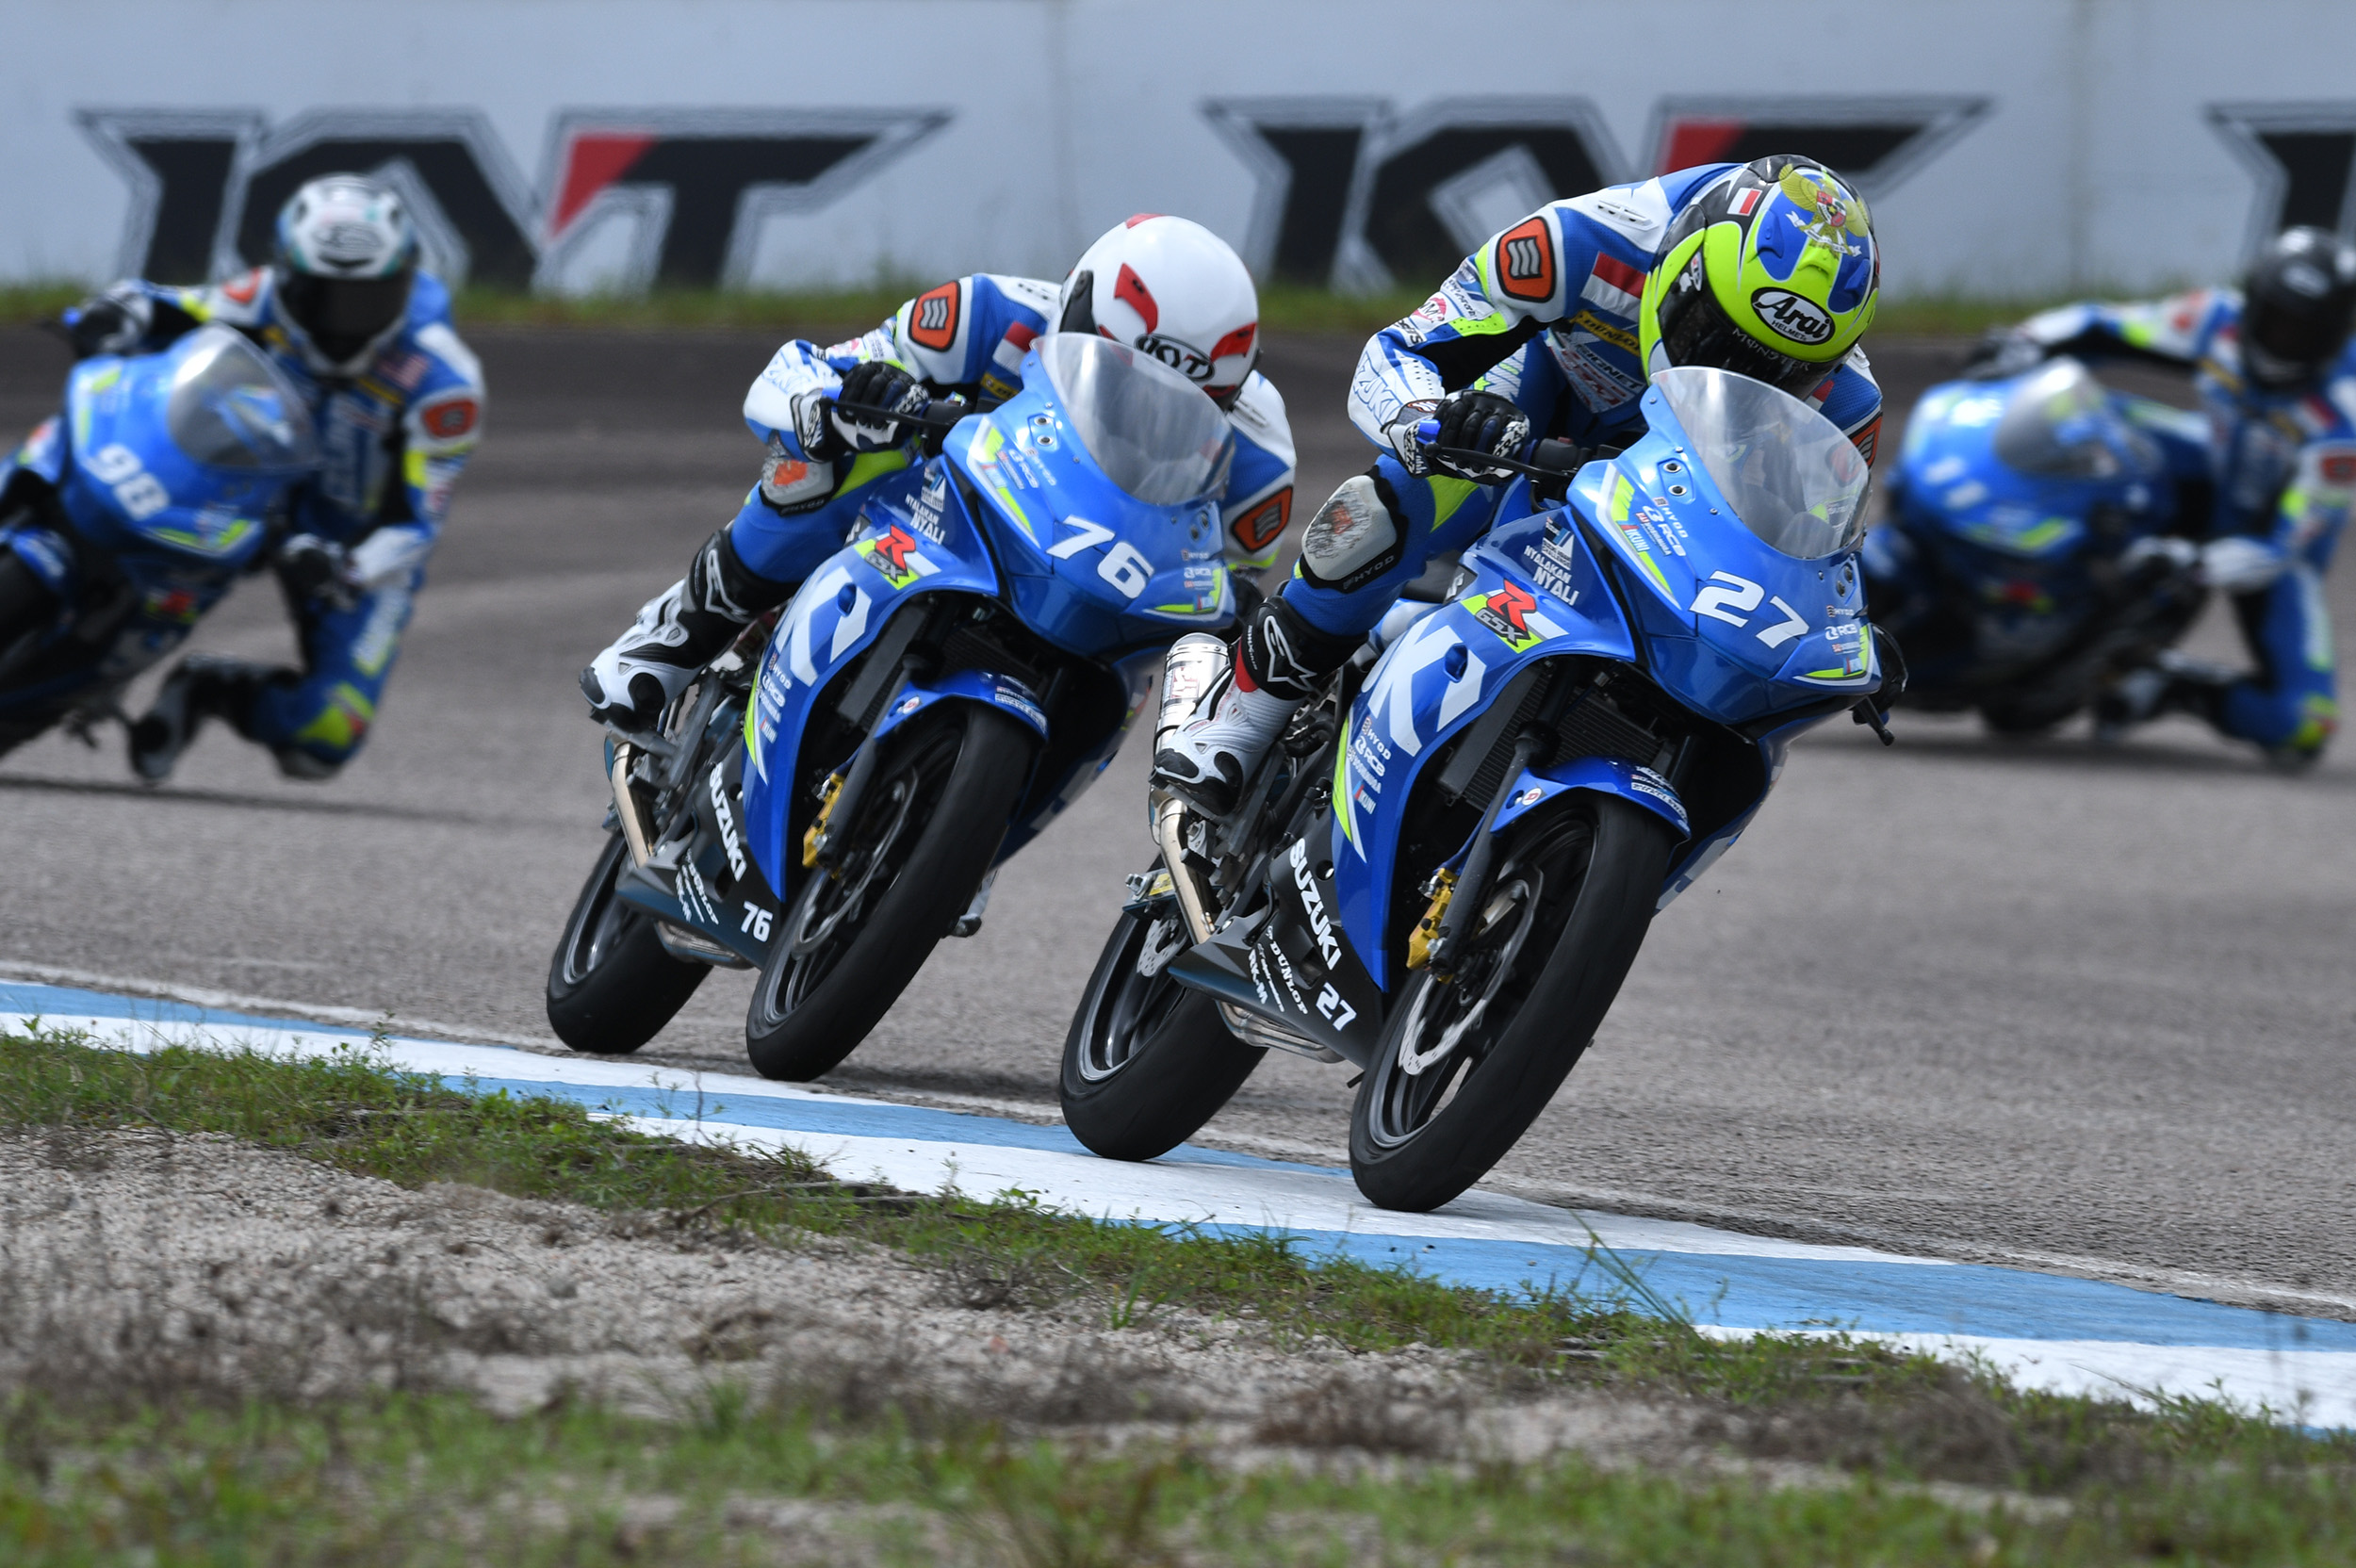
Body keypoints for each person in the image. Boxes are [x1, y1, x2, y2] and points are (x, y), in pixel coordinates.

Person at [1153, 156, 1885, 811]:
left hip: (1684, 481)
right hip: (1538, 405)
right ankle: (1240, 716)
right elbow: (1395, 353)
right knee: (1389, 507)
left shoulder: (1849, 404)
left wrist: (1846, 629)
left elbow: (1819, 554)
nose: (1738, 371)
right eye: (1718, 337)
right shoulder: (1585, 239)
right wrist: (1430, 419)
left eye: (1781, 371)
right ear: (1684, 268)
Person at [579, 214, 1297, 729]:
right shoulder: (988, 313)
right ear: (1078, 310)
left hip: (1090, 582)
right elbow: (792, 376)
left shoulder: (1260, 457)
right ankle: (681, 632)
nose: (1140, 410)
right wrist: (846, 403)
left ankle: (1004, 836)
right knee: (838, 457)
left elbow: (1233, 587)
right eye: (1125, 377)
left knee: (1163, 667)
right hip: (925, 518)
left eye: (1182, 403)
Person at [62, 172, 484, 782]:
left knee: (324, 736)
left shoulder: (446, 382)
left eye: (369, 299)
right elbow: (162, 302)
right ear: (288, 276)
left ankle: (210, 687)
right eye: (323, 297)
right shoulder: (261, 295)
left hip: (348, 548)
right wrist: (114, 313)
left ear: (406, 281)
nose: (346, 322)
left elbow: (418, 524)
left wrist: (349, 569)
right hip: (242, 489)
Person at [1969, 226, 2356, 766]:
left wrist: (2197, 563)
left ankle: (2168, 685)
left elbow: (2284, 545)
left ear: (2336, 337)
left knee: (2304, 723)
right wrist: (2025, 341)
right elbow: (2099, 324)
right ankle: (1994, 532)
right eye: (2274, 318)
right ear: (2254, 299)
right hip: (2207, 465)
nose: (2281, 340)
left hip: (2269, 550)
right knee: (2078, 414)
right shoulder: (2215, 316)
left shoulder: (2344, 417)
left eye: (2303, 332)